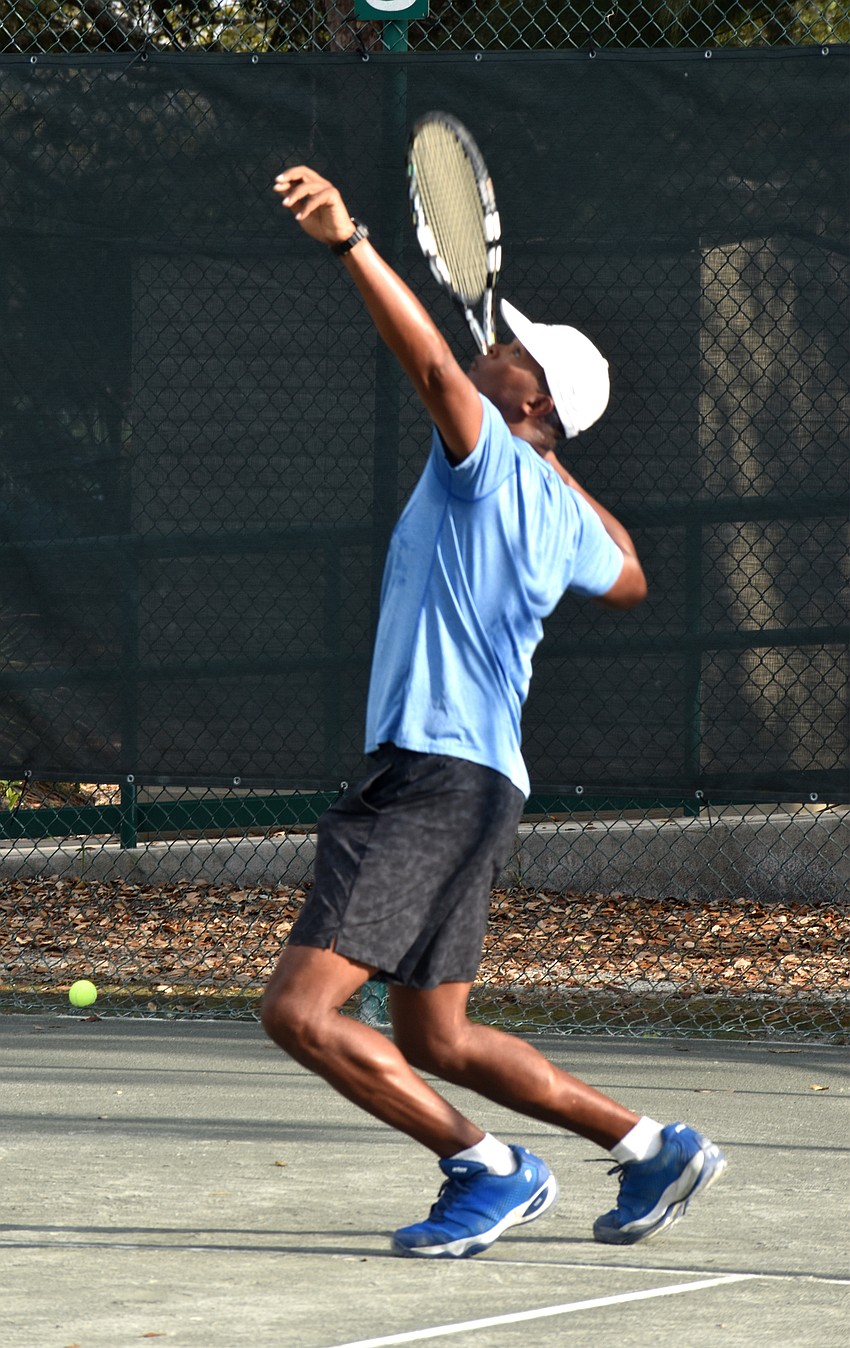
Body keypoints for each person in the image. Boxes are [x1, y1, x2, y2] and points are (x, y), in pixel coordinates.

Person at [260, 165, 726, 1259]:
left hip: (426, 774)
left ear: (526, 396)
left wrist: (349, 242)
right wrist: (551, 458)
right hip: (482, 785)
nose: (489, 348)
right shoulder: (556, 509)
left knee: (300, 1011)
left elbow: (427, 359)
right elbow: (632, 572)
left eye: (509, 351)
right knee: (439, 1032)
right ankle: (650, 1142)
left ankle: (488, 1166)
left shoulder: (478, 463)